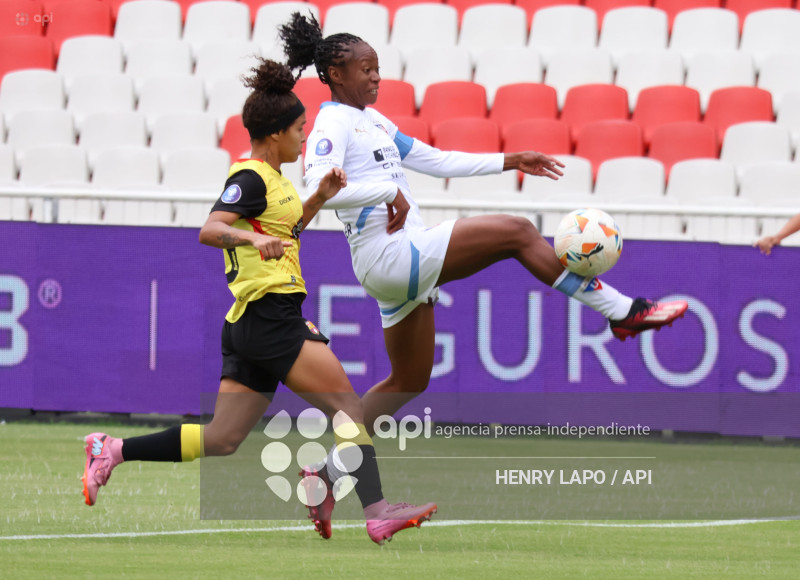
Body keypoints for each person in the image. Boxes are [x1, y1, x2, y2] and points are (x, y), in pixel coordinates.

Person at [277, 13, 690, 536]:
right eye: (366, 69)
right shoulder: (332, 123)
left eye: (378, 68)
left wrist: (510, 159)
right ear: (336, 74)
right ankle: (623, 312)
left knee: (408, 381)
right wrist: (385, 192)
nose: (377, 77)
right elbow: (317, 186)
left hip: (400, 259)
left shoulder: (376, 123)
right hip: (389, 254)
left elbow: (438, 159)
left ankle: (326, 476)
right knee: (518, 232)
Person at [80, 59, 436, 546]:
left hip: (252, 322)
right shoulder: (249, 177)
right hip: (271, 316)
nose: (303, 140)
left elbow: (283, 233)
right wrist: (249, 243)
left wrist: (317, 200)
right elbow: (210, 229)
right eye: (298, 130)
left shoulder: (277, 180)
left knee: (222, 439)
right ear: (273, 134)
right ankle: (376, 511)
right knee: (347, 408)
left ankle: (112, 449)